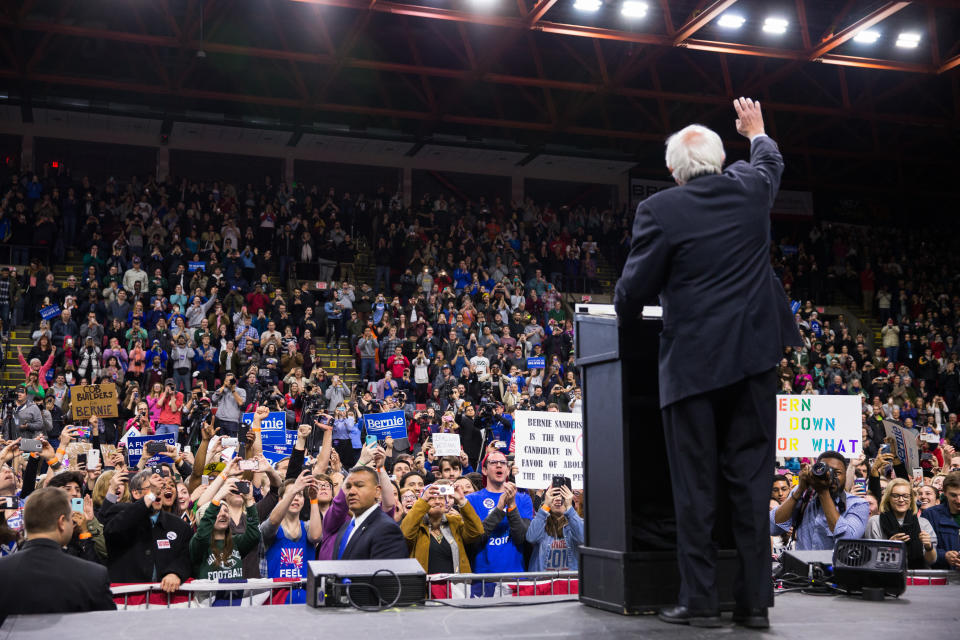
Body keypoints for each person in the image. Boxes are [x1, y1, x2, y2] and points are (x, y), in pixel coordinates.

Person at [613, 98, 801, 629]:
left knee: (694, 486)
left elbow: (632, 293)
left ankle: (699, 602)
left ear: (673, 172)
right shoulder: (749, 189)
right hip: (755, 361)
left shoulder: (661, 211)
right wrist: (758, 130)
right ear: (719, 161)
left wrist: (628, 318)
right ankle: (753, 604)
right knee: (751, 483)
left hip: (693, 367)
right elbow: (769, 163)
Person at [0, 487, 115, 623]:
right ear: (61, 523)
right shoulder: (93, 575)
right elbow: (107, 628)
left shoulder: (3, 570)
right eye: (69, 519)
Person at [101, 468, 193, 591]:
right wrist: (150, 497)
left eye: (160, 487)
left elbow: (185, 557)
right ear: (136, 493)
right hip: (127, 601)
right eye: (151, 487)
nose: (158, 492)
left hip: (164, 601)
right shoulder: (118, 512)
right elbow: (112, 530)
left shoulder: (180, 526)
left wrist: (175, 572)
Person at [771, 451, 869, 550]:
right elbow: (773, 528)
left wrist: (823, 491)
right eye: (825, 471)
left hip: (834, 565)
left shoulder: (857, 504)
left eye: (837, 473)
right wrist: (800, 489)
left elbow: (847, 540)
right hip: (802, 564)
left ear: (845, 475)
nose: (829, 476)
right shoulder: (804, 495)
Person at [401, 480, 483, 574]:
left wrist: (461, 500)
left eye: (441, 498)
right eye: (432, 498)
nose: (437, 502)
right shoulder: (416, 525)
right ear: (424, 502)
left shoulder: (455, 521)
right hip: (425, 586)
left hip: (454, 586)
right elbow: (405, 535)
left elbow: (477, 532)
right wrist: (422, 501)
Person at [334, 466, 408, 560]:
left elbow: (386, 573)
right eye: (348, 487)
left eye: (359, 485)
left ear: (377, 492)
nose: (351, 492)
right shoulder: (345, 527)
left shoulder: (387, 529)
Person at [864, 478, 937, 568]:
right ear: (888, 498)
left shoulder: (923, 523)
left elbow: (931, 560)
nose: (901, 500)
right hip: (885, 576)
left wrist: (929, 547)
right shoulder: (875, 522)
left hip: (915, 577)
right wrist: (889, 546)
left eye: (906, 496)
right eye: (896, 496)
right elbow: (870, 558)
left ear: (911, 499)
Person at [526, 484, 584, 571]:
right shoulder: (541, 521)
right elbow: (531, 538)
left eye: (562, 496)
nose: (558, 499)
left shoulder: (576, 522)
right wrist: (545, 505)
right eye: (554, 495)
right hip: (544, 583)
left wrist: (569, 507)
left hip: (568, 583)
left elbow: (583, 539)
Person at [923, 471, 960, 570]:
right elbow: (924, 548)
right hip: (941, 578)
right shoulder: (930, 515)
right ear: (944, 492)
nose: (958, 500)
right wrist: (944, 556)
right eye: (953, 495)